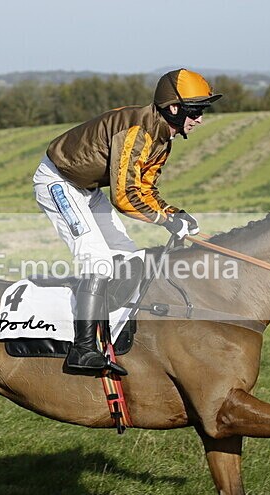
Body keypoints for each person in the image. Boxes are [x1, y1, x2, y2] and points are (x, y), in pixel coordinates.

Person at [32, 68, 222, 376]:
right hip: (58, 182)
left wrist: (175, 213)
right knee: (98, 260)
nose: (200, 118)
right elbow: (124, 197)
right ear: (174, 108)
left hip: (88, 189)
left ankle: (114, 333)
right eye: (196, 110)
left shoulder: (163, 140)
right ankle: (82, 350)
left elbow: (145, 189)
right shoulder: (138, 132)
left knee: (128, 255)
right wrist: (166, 220)